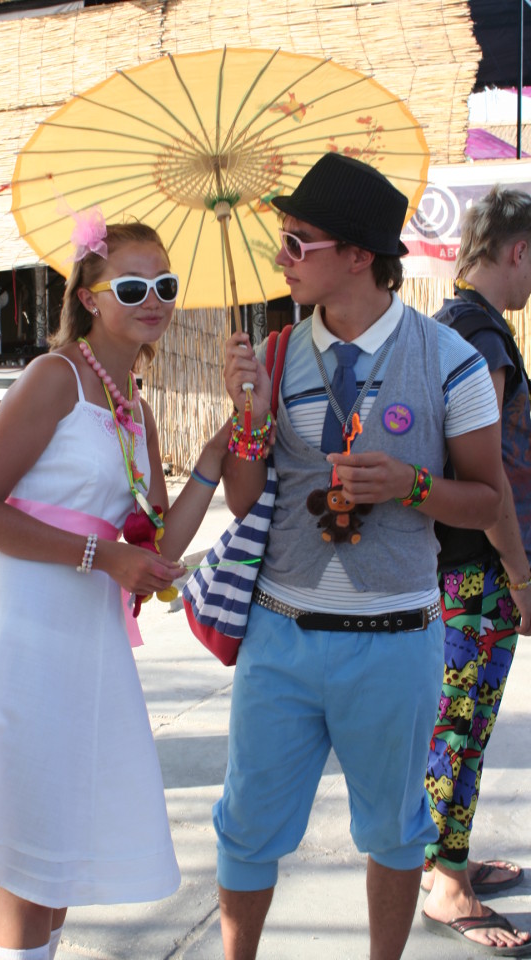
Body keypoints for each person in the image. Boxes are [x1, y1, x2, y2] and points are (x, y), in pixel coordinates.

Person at [0, 217, 230, 960]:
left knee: (59, 846)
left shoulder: (135, 406)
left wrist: (213, 457)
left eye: (166, 285)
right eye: (132, 287)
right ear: (88, 296)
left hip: (87, 636)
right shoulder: (55, 378)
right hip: (24, 630)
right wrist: (101, 558)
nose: (154, 300)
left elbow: (157, 548)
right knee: (30, 852)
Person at [215, 152, 505, 960]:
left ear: (356, 255)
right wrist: (248, 420)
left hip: (395, 639)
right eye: (281, 238)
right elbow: (242, 500)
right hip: (280, 635)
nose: (281, 255)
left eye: (297, 241)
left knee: (397, 831)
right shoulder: (275, 354)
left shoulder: (451, 360)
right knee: (247, 828)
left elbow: (488, 501)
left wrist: (414, 486)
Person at [421, 185, 531, 955]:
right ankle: (447, 884)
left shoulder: (454, 324)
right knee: (461, 723)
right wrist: (521, 574)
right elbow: (482, 477)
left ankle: (443, 859)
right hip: (478, 569)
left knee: (458, 720)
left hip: (459, 566)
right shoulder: (481, 339)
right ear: (519, 250)